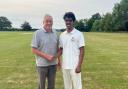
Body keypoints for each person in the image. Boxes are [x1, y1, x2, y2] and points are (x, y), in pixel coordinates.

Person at [58, 12, 85, 89]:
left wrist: (79, 65)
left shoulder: (79, 34)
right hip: (65, 66)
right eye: (66, 20)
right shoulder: (62, 35)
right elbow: (61, 50)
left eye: (70, 20)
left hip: (75, 66)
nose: (68, 22)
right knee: (67, 87)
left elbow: (82, 51)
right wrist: (55, 58)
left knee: (77, 87)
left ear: (73, 21)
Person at [31, 14, 58, 89]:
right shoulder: (37, 33)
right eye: (47, 21)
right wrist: (46, 56)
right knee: (41, 86)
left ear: (52, 22)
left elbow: (57, 49)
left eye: (50, 21)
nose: (49, 23)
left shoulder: (55, 33)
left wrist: (59, 61)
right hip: (41, 65)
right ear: (43, 22)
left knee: (51, 86)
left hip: (53, 65)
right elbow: (33, 49)